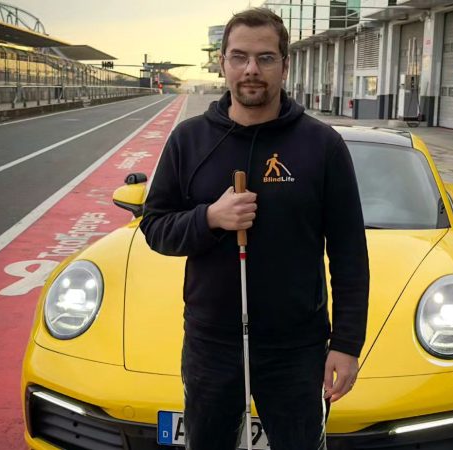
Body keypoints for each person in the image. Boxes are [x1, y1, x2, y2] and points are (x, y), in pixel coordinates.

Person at [140, 8, 369, 450]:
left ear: (285, 65)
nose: (251, 69)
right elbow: (155, 226)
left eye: (265, 58)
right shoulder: (188, 140)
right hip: (212, 343)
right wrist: (209, 218)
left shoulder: (322, 145)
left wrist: (346, 343)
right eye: (239, 56)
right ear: (222, 62)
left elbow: (349, 253)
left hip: (296, 347)